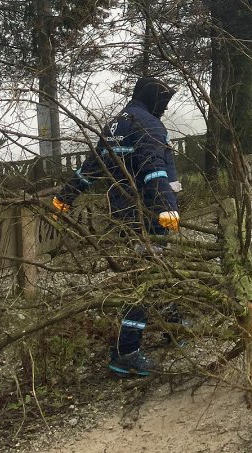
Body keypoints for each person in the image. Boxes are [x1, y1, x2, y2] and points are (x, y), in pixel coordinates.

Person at [51, 77, 182, 377]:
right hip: (148, 215)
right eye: (163, 101)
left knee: (156, 269)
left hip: (123, 213)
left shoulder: (116, 124)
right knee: (145, 279)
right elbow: (153, 169)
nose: (165, 107)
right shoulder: (148, 125)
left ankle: (172, 323)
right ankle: (127, 352)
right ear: (153, 99)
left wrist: (66, 196)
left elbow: (92, 166)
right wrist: (167, 206)